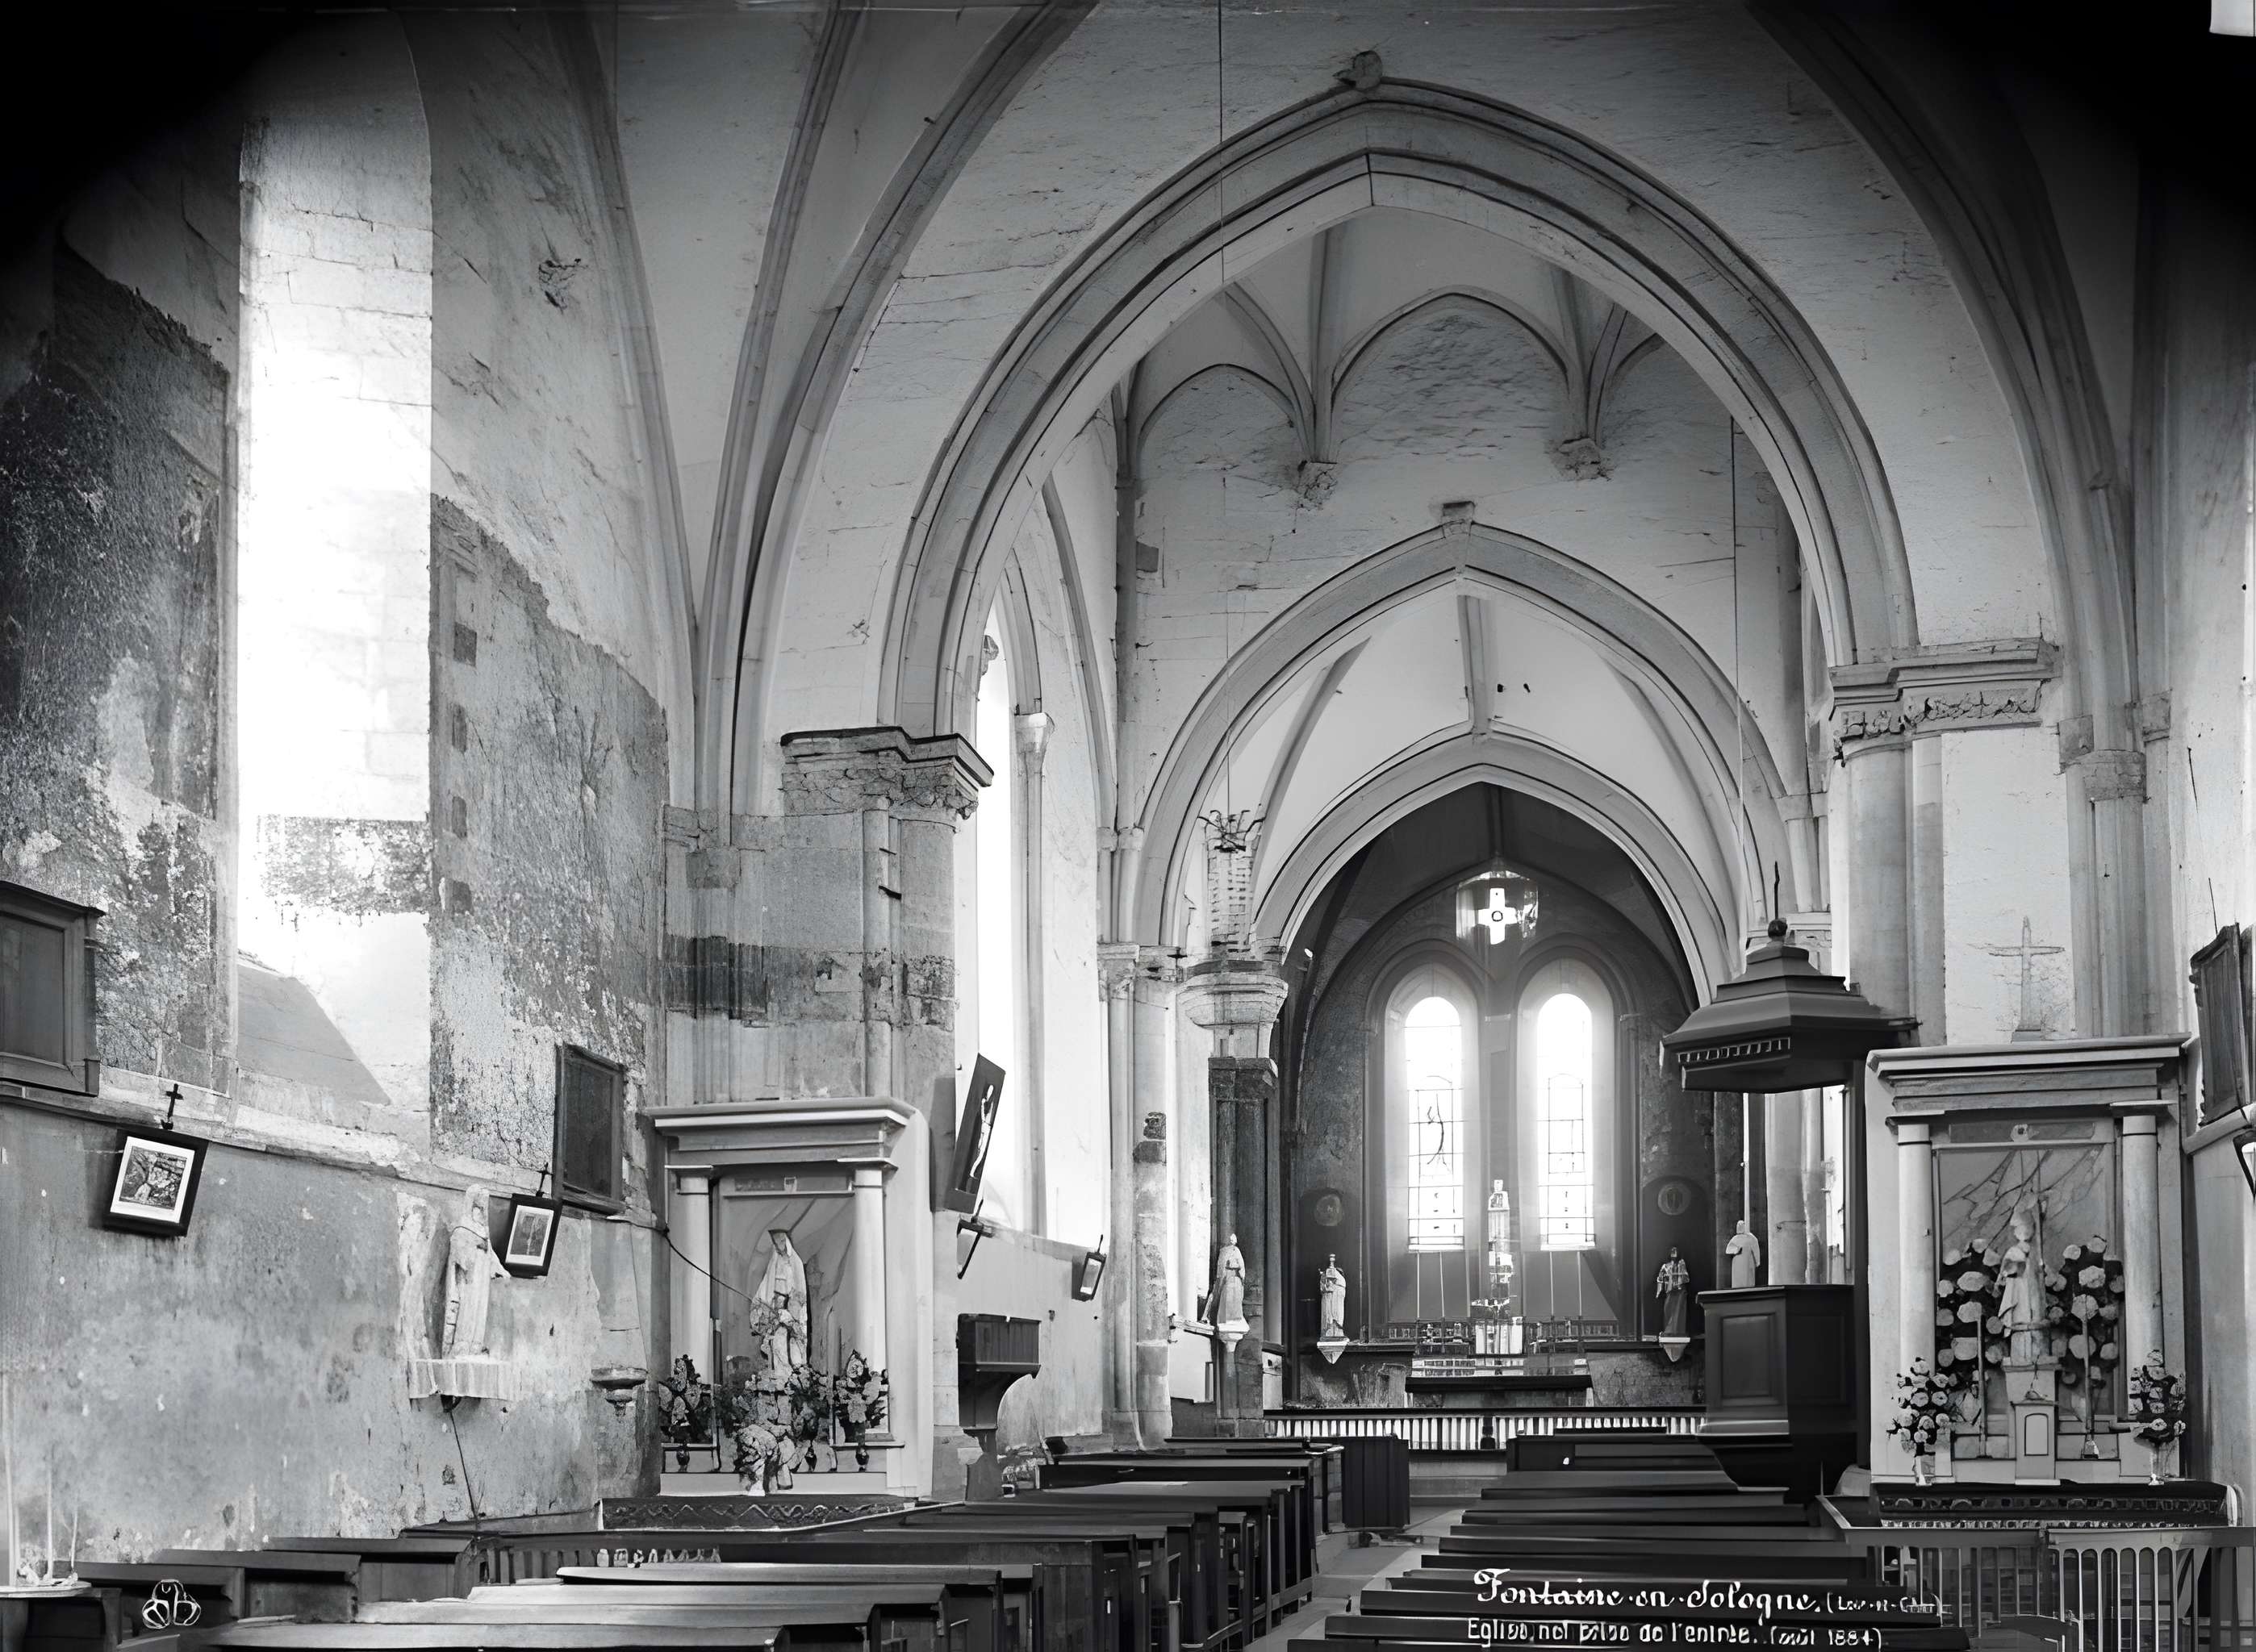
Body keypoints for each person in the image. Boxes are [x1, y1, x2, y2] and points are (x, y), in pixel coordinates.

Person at [442, 1185, 507, 1358]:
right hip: (469, 1279)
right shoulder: (462, 1228)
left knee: (480, 1310)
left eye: (484, 1208)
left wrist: (500, 1269)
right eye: (478, 1208)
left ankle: (475, 1346)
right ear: (471, 1208)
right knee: (468, 1309)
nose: (482, 1212)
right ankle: (461, 1346)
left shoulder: (484, 1231)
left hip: (481, 1280)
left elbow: (491, 1253)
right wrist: (475, 1244)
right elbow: (458, 1253)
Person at [756, 1229, 809, 1374]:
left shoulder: (795, 1262)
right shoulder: (775, 1261)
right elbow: (767, 1286)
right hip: (777, 1308)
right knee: (777, 1340)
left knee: (791, 1341)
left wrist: (791, 1312)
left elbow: (799, 1292)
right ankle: (781, 1372)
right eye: (776, 1242)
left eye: (781, 1241)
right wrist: (769, 1305)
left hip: (792, 1307)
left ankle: (793, 1371)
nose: (779, 1246)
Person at [1997, 1208, 2046, 1364]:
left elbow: (2039, 1271)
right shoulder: (2013, 1251)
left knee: (2036, 1317)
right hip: (2019, 1291)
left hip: (2033, 1292)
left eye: (2028, 1229)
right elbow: (2006, 1271)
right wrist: (2019, 1265)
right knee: (2022, 1321)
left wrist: (2041, 1269)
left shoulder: (2035, 1250)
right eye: (2021, 1229)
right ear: (2016, 1232)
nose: (2025, 1232)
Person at [1209, 1233, 1247, 1329]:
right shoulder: (1224, 1251)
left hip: (1234, 1279)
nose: (1232, 1241)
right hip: (1227, 1280)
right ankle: (1225, 1319)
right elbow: (1222, 1268)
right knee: (1226, 1297)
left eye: (1233, 1240)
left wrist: (1235, 1266)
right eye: (1231, 1240)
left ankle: (1234, 1319)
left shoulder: (1236, 1251)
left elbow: (1241, 1266)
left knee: (1235, 1297)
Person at [1655, 1246, 1690, 1337]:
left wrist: (1677, 1275)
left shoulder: (1681, 1263)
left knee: (1678, 1312)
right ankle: (1668, 1331)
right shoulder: (1665, 1266)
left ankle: (1678, 1332)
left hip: (1680, 1291)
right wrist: (1659, 1291)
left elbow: (1686, 1277)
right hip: (1669, 1291)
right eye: (1672, 1250)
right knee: (1668, 1310)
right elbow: (1660, 1278)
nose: (1674, 1252)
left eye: (1675, 1250)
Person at [1725, 1218, 1762, 1289]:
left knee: (1747, 1280)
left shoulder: (1751, 1238)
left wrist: (1757, 1261)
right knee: (1738, 1282)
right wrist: (1736, 1249)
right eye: (1738, 1225)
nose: (1740, 1226)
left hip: (1747, 1262)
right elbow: (1728, 1249)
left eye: (1742, 1224)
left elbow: (1756, 1249)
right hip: (1737, 1263)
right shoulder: (1735, 1239)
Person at [1318, 1254, 1347, 1341]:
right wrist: (1326, 1284)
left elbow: (1341, 1290)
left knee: (1336, 1316)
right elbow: (1323, 1287)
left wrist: (1332, 1286)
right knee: (1328, 1317)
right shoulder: (1326, 1275)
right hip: (1328, 1300)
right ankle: (1328, 1330)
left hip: (1336, 1299)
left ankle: (1336, 1330)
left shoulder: (1340, 1280)